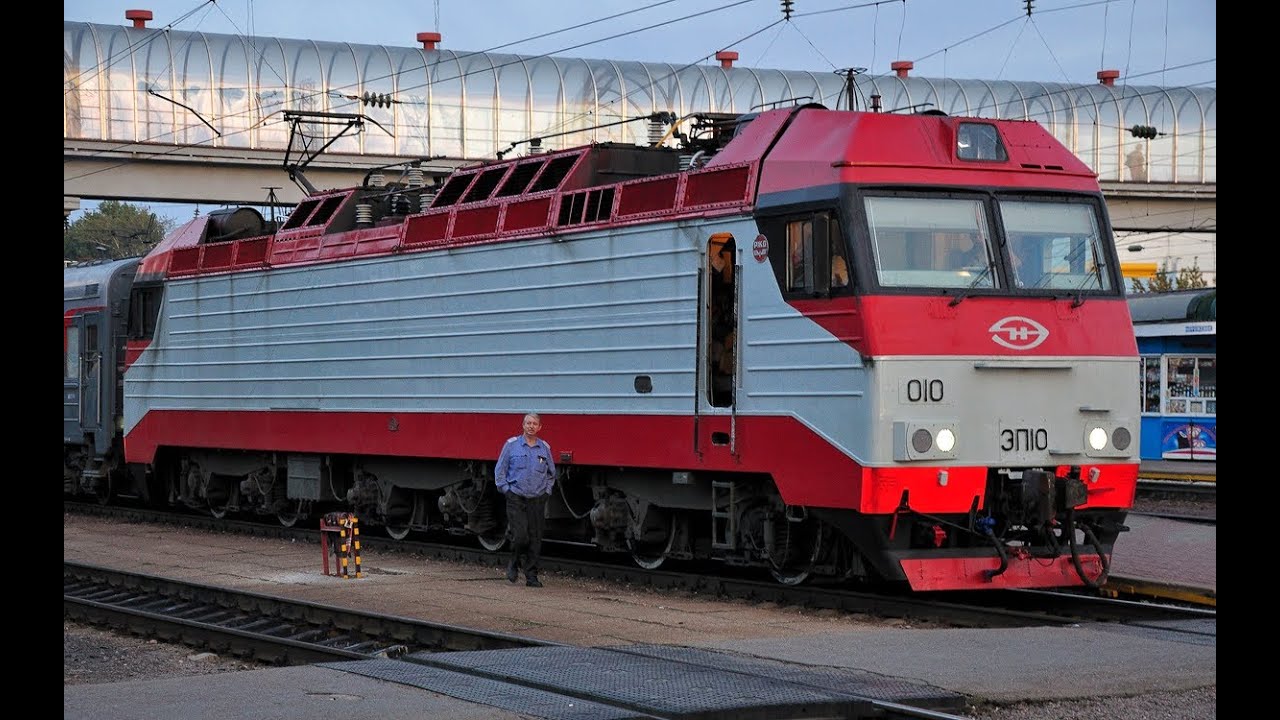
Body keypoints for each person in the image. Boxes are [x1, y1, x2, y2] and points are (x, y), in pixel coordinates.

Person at [494, 412, 557, 587]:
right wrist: (506, 490)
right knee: (521, 536)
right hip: (516, 496)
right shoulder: (511, 445)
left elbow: (551, 473)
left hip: (537, 498)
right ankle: (514, 561)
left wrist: (547, 491)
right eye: (528, 423)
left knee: (535, 539)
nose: (531, 426)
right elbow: (500, 470)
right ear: (523, 425)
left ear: (540, 427)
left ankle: (531, 576)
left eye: (534, 424)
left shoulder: (544, 448)